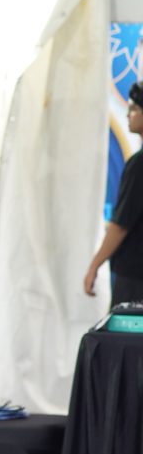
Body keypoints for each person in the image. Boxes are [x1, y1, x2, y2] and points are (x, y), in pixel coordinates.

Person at [84, 81, 143, 305]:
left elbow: (121, 225)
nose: (128, 114)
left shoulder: (139, 165)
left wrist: (94, 265)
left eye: (134, 108)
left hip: (134, 279)